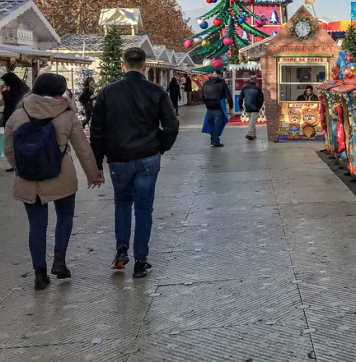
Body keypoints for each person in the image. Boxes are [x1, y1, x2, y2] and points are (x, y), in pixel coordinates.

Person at [4, 73, 103, 290]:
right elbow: (82, 148)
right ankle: (60, 260)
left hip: (29, 179)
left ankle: (39, 274)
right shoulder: (67, 115)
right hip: (62, 175)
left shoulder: (18, 114)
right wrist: (93, 174)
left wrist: (22, 166)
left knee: (36, 225)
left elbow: (9, 149)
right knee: (65, 215)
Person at [90, 47, 179, 278]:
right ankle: (141, 260)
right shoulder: (156, 91)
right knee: (144, 208)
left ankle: (121, 249)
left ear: (123, 66)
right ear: (145, 66)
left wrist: (97, 163)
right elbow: (171, 125)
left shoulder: (107, 93)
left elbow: (97, 131)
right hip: (148, 155)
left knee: (122, 203)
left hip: (119, 157)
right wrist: (161, 146)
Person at [200, 69, 232, 147]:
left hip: (209, 108)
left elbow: (201, 95)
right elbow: (228, 95)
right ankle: (215, 141)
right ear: (220, 75)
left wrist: (206, 103)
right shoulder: (222, 84)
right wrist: (231, 106)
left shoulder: (205, 84)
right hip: (219, 107)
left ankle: (213, 139)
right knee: (217, 125)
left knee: (211, 124)